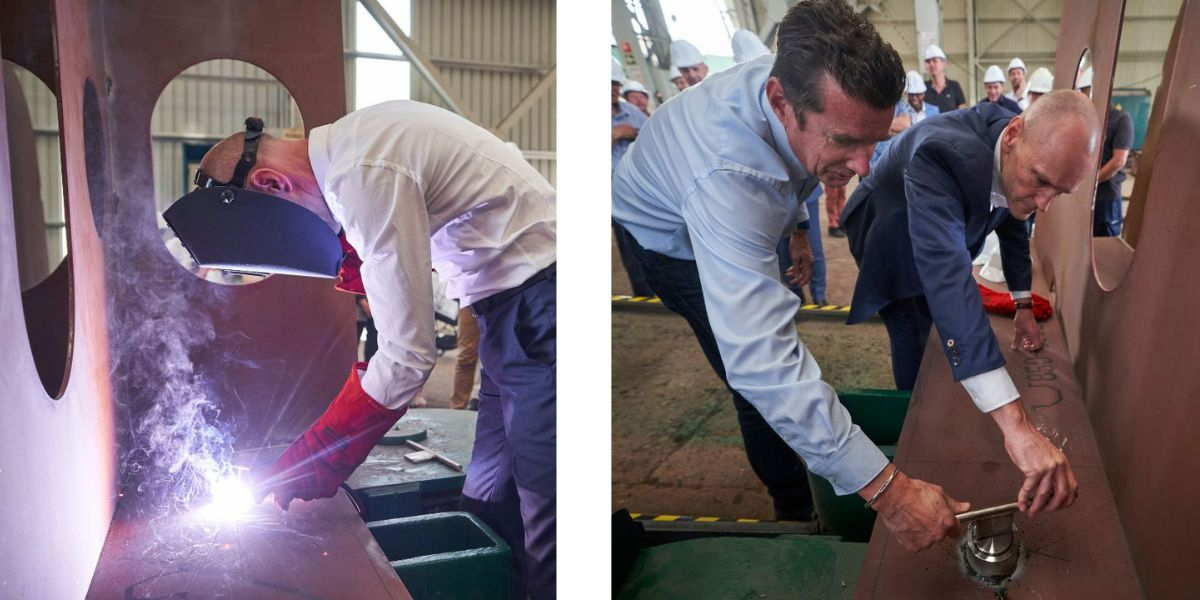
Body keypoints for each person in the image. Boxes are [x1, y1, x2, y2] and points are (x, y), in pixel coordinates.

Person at [613, 0, 971, 552]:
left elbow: (796, 169)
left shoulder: (801, 95)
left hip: (737, 193)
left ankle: (810, 468)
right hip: (666, 235)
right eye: (846, 142)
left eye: (873, 141)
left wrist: (800, 230)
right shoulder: (729, 176)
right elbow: (760, 359)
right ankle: (793, 504)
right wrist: (890, 493)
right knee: (750, 379)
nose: (865, 167)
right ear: (781, 102)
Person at [188, 100, 556, 599]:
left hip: (542, 304)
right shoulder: (354, 143)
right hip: (503, 307)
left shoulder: (361, 173)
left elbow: (408, 355)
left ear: (270, 184)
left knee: (546, 503)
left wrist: (316, 458)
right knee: (489, 493)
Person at [842, 91, 1098, 519]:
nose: (1045, 203)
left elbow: (1015, 221)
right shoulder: (942, 154)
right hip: (889, 227)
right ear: (1013, 135)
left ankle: (949, 373)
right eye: (1040, 182)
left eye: (1060, 192)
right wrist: (1016, 427)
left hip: (934, 219)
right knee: (912, 319)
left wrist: (1022, 306)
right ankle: (915, 433)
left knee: (947, 316)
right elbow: (947, 275)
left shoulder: (1026, 155)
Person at [611, 57, 654, 297]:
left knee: (647, 240)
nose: (612, 89)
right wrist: (616, 134)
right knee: (628, 245)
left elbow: (652, 139)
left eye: (615, 84)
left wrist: (635, 132)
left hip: (638, 188)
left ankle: (659, 290)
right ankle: (643, 293)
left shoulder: (631, 112)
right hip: (612, 192)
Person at [869, 71, 940, 170]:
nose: (915, 98)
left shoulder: (934, 111)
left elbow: (935, 137)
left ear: (924, 94)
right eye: (912, 94)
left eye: (918, 94)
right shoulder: (899, 108)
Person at [1094, 99, 1134, 237]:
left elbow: (1118, 161)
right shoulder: (1086, 120)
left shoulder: (1120, 119)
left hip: (1106, 197)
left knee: (1104, 245)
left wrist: (1092, 183)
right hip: (1081, 197)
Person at [923, 44, 967, 113]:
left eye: (935, 61)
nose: (931, 64)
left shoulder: (954, 86)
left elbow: (962, 110)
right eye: (928, 62)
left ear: (944, 64)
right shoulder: (923, 88)